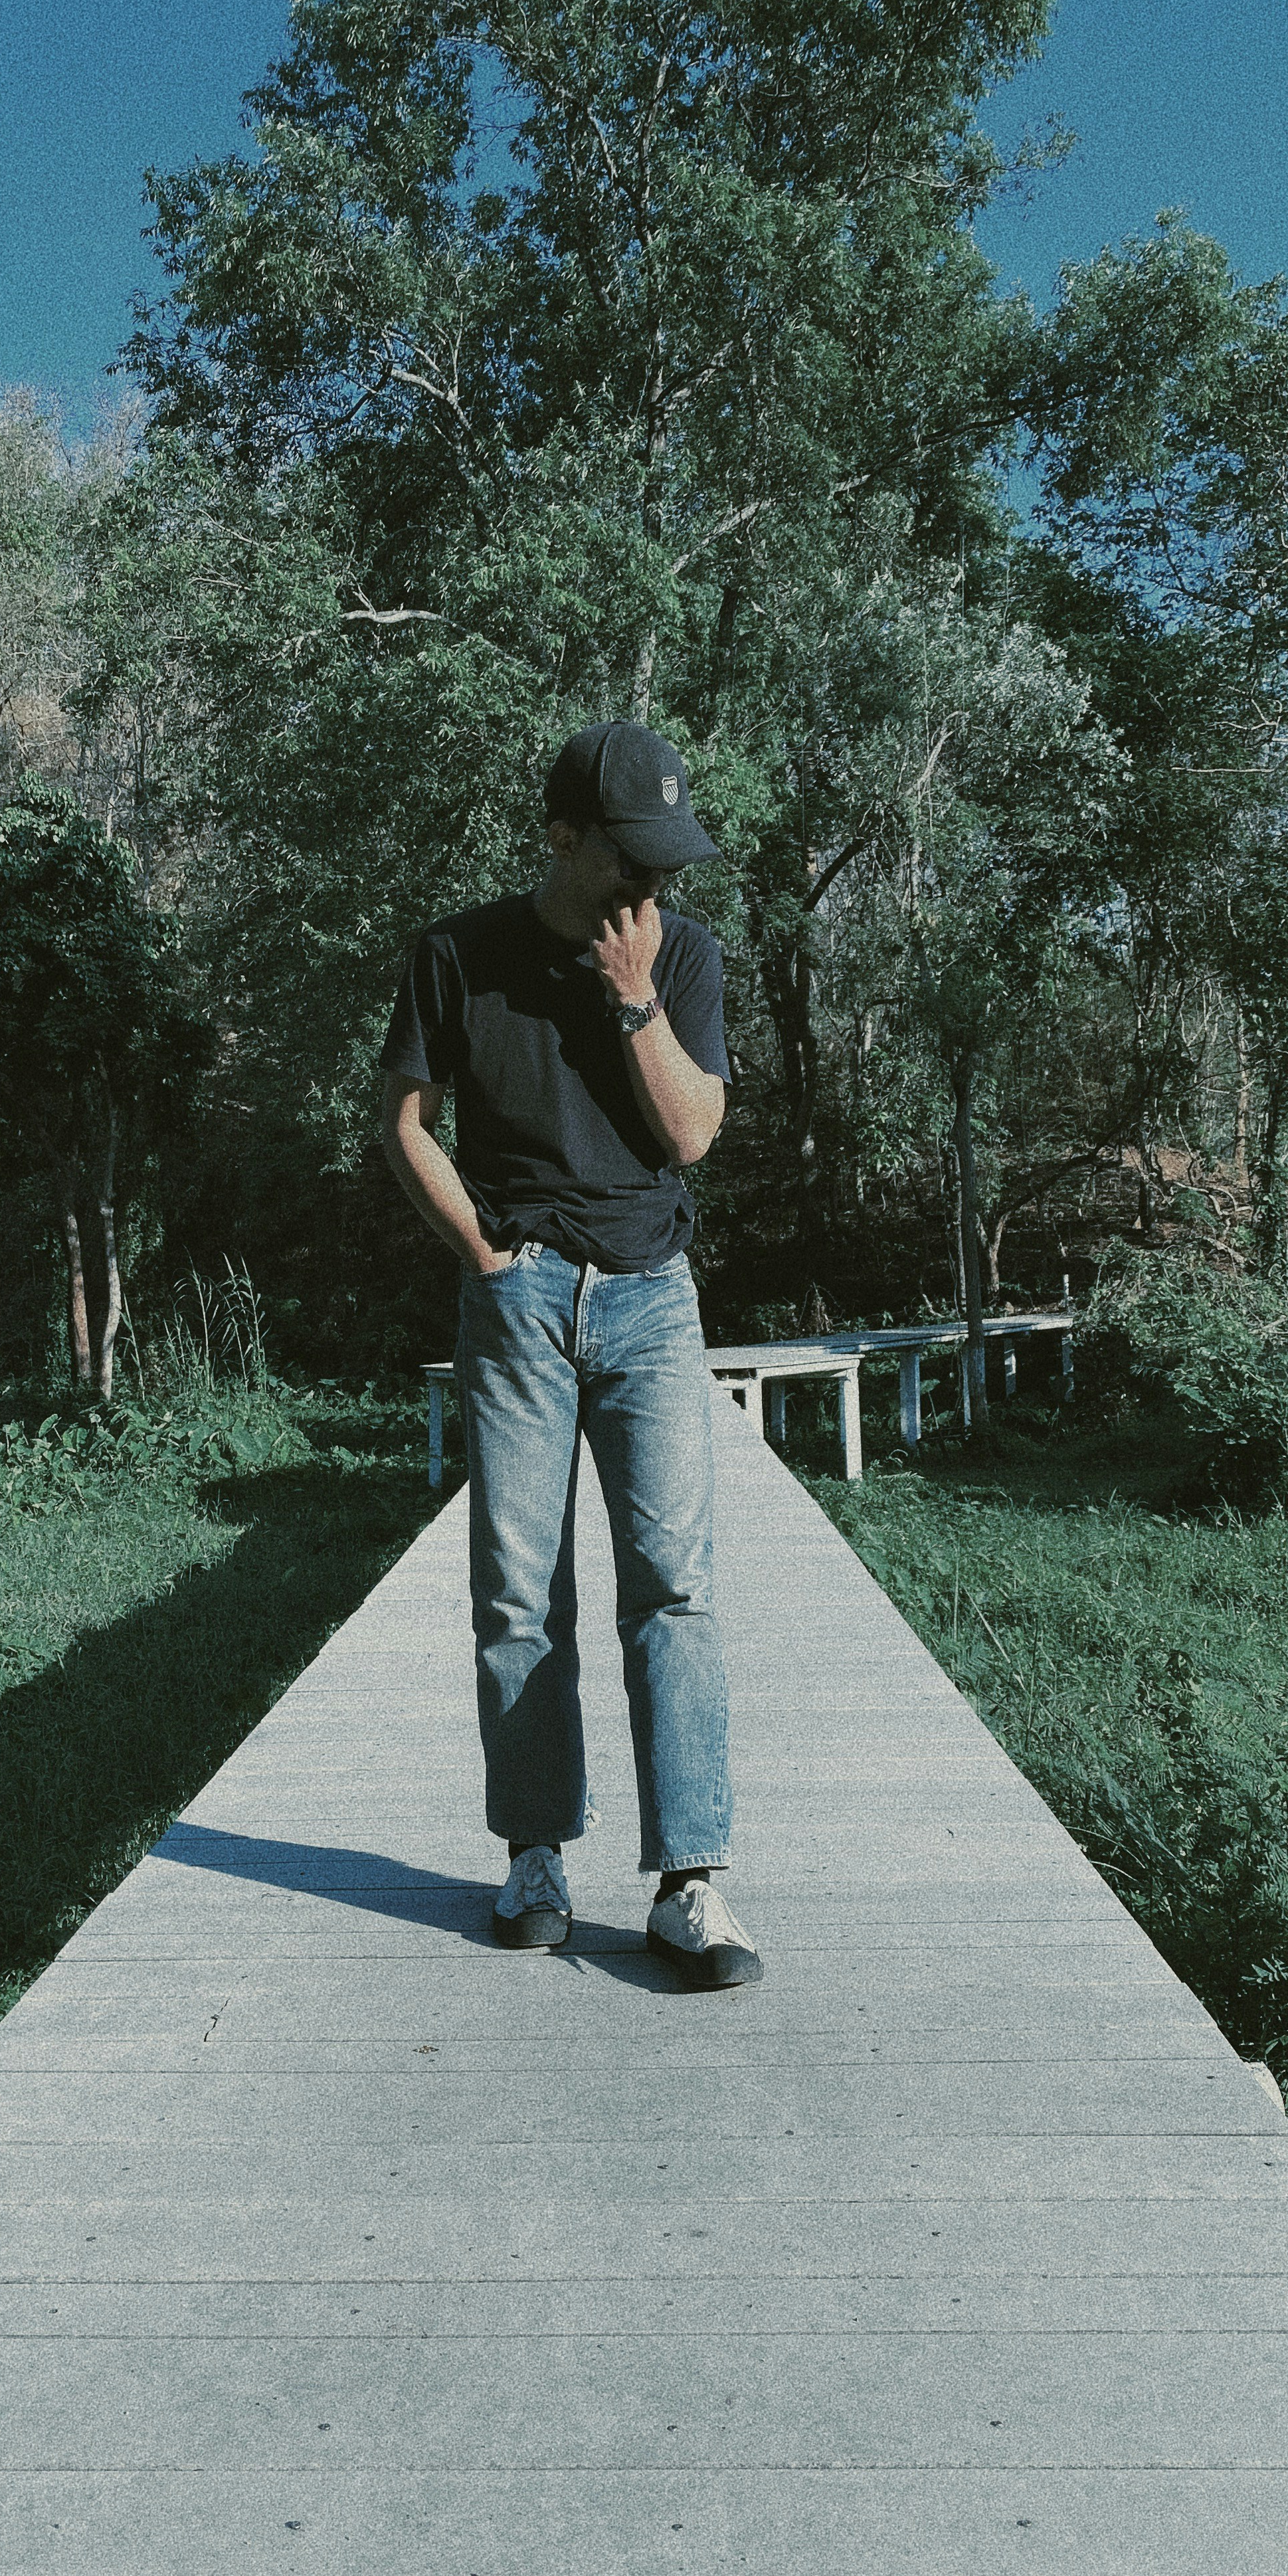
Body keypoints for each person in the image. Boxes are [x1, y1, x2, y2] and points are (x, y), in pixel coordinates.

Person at [377, 720, 762, 1990]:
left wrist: (634, 998)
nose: (653, 882)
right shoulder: (458, 954)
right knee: (518, 1590)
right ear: (561, 838)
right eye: (629, 856)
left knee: (674, 1587)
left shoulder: (683, 955)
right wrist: (481, 1253)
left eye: (667, 859)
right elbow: (405, 1121)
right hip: (521, 1301)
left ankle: (689, 1881)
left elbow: (693, 1135)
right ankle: (535, 1855)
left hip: (651, 1298)